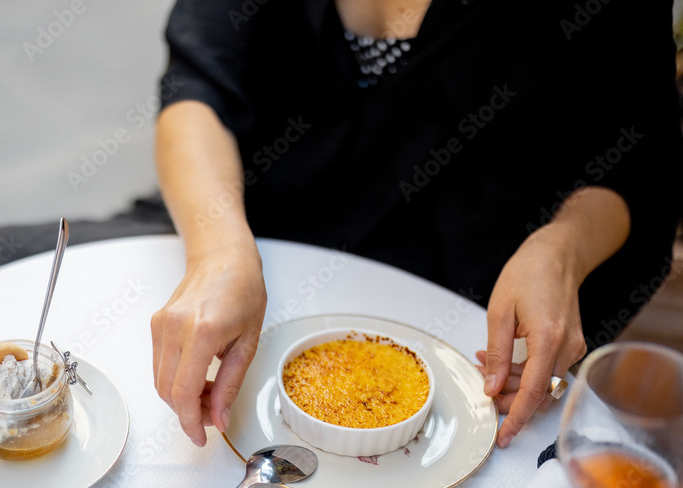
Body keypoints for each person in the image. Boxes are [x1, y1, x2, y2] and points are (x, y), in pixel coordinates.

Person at [149, 0, 682, 448]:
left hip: (475, 285)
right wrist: (218, 251)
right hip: (244, 233)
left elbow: (644, 159)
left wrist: (560, 250)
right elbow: (198, 88)